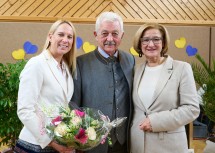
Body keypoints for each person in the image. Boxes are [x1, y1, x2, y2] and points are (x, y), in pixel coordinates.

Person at [70, 12, 135, 153]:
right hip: (92, 144)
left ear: (122, 35)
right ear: (96, 34)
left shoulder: (130, 60)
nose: (110, 39)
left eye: (115, 34)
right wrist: (79, 138)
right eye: (104, 33)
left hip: (123, 143)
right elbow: (73, 104)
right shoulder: (80, 63)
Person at [130, 23, 200, 153]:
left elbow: (192, 109)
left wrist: (155, 121)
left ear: (163, 42)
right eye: (145, 40)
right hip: (138, 145)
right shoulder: (136, 70)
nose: (151, 44)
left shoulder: (182, 68)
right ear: (140, 44)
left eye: (156, 39)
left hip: (169, 146)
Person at [15, 20, 77, 153]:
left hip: (58, 143)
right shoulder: (36, 64)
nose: (65, 40)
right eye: (61, 34)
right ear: (50, 36)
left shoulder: (65, 67)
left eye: (69, 37)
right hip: (34, 145)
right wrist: (52, 142)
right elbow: (24, 110)